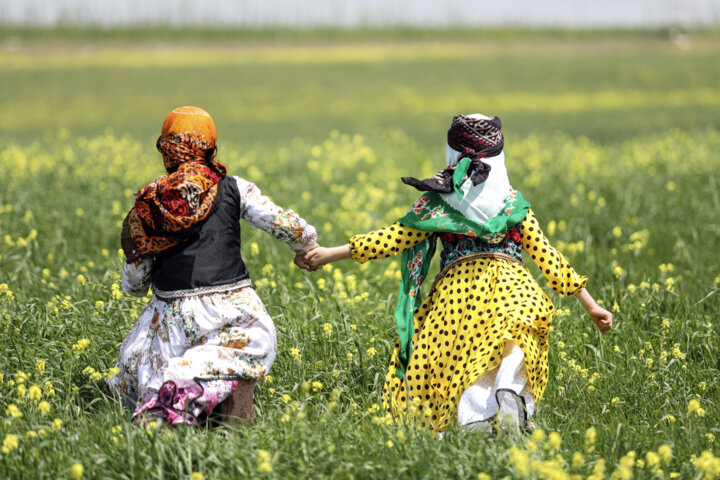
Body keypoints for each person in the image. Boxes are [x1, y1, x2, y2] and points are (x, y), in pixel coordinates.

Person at [304, 114, 612, 433]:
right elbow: (548, 257)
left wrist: (330, 254)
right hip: (515, 286)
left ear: (451, 154)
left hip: (459, 295)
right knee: (516, 339)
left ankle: (477, 422)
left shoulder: (438, 202)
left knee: (462, 360)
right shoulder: (512, 204)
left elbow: (395, 237)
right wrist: (591, 305)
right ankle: (509, 391)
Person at [108, 106, 318, 426]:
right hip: (234, 315)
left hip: (168, 321)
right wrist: (307, 246)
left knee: (140, 379)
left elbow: (136, 277)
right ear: (210, 148)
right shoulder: (235, 187)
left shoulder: (153, 202)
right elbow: (284, 224)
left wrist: (133, 286)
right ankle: (209, 394)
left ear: (167, 151)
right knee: (224, 359)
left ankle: (174, 411)